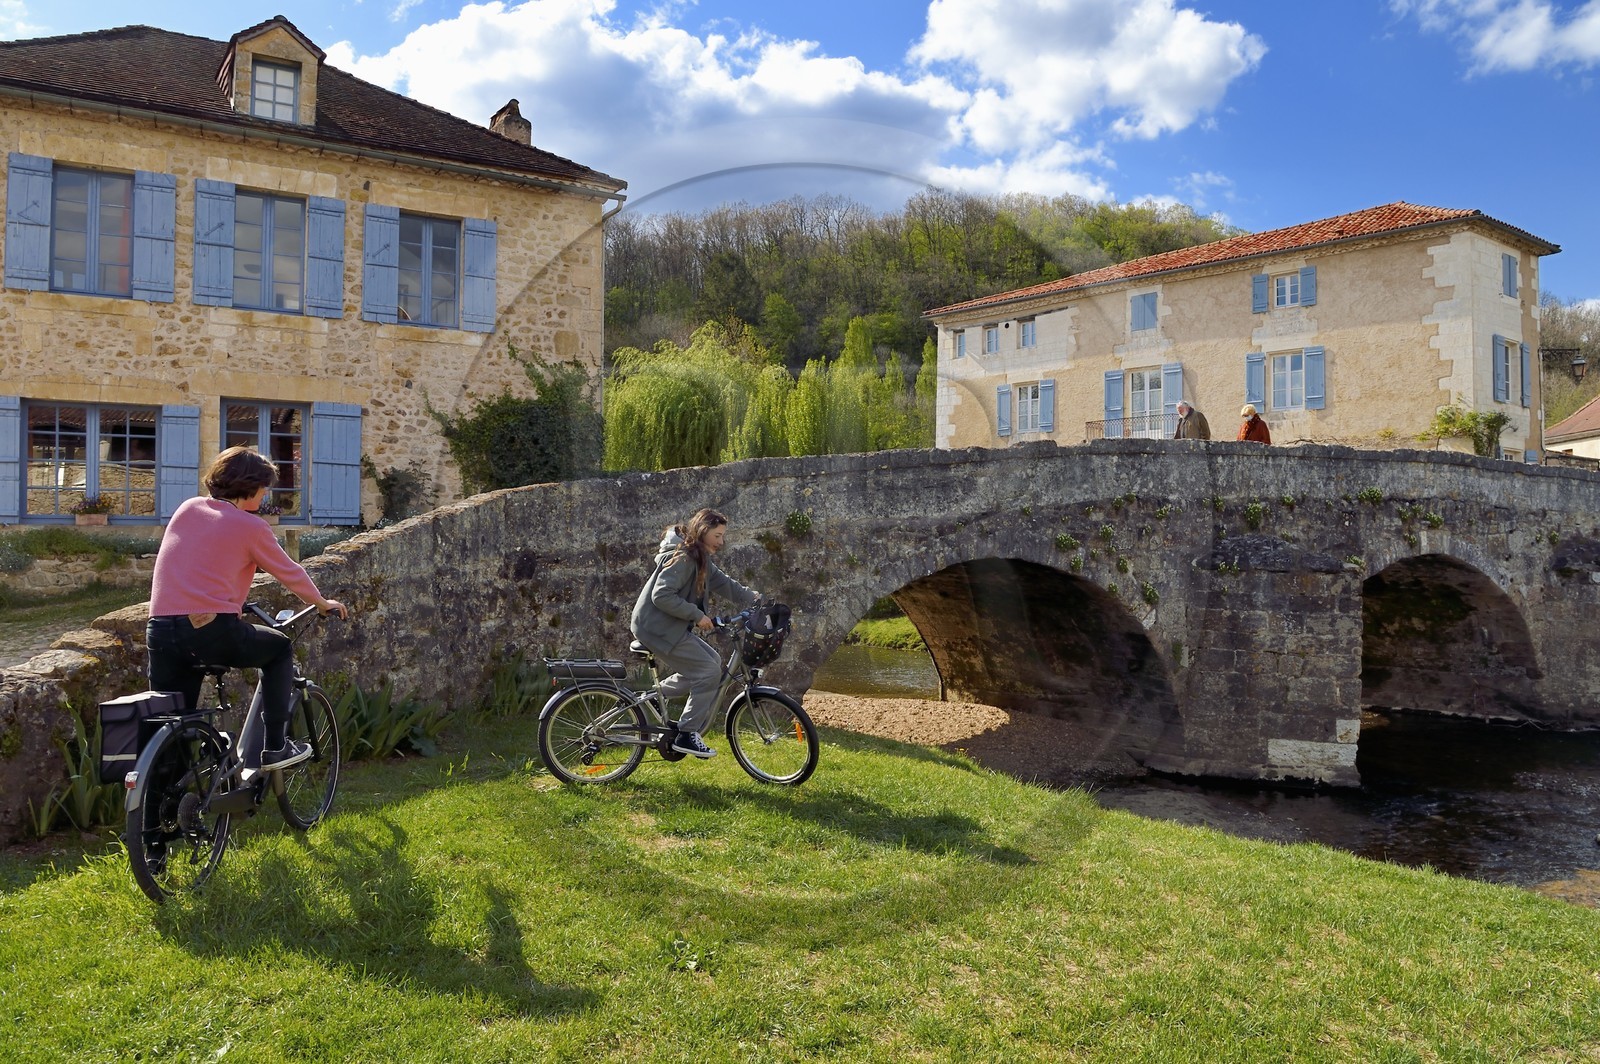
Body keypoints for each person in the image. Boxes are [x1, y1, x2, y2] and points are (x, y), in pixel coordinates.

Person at [145, 447, 348, 771]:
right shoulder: (250, 526)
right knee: (279, 649)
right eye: (264, 487)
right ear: (250, 487)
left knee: (172, 722)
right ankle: (276, 749)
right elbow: (290, 572)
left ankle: (161, 815)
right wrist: (322, 603)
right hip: (210, 629)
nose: (266, 493)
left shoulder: (188, 509)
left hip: (159, 629)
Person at [630, 508, 761, 759]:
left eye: (723, 536)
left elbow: (724, 583)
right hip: (656, 627)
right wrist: (697, 615)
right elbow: (661, 596)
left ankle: (654, 696)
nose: (721, 542)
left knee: (712, 663)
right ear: (703, 531)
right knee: (708, 671)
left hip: (667, 627)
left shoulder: (700, 557)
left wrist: (754, 597)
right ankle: (687, 734)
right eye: (718, 535)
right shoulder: (684, 558)